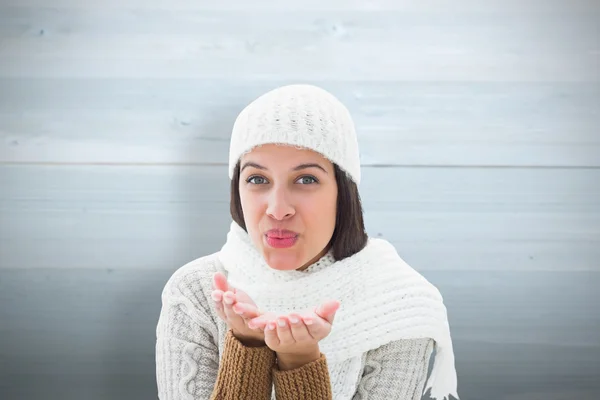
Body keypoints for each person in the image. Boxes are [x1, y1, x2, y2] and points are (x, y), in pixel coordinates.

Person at [155, 84, 460, 400]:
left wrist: (299, 361)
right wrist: (248, 344)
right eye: (257, 179)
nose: (277, 209)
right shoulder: (196, 293)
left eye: (306, 180)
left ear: (343, 192)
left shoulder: (397, 305)